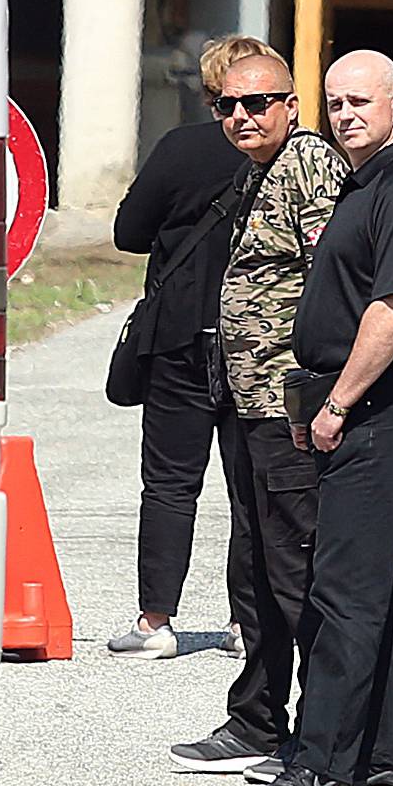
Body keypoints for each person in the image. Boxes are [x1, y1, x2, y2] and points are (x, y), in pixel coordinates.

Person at [259, 50, 393, 786]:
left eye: (360, 101)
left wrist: (336, 405)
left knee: (341, 592)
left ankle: (322, 764)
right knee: (376, 588)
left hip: (376, 406)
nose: (345, 114)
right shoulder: (361, 183)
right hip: (351, 401)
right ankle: (386, 759)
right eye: (334, 102)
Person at [168, 44, 346, 778]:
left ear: (291, 106)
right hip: (246, 401)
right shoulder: (254, 172)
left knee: (294, 571)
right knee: (255, 567)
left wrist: (321, 395)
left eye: (258, 103)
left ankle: (316, 733)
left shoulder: (306, 164)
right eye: (228, 106)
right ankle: (257, 718)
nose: (241, 117)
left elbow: (335, 274)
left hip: (288, 403)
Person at [105, 35, 248, 660]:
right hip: (258, 339)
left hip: (179, 335)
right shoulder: (293, 155)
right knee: (255, 487)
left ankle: (155, 621)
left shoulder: (181, 148)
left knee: (168, 483)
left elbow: (128, 232)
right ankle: (250, 622)